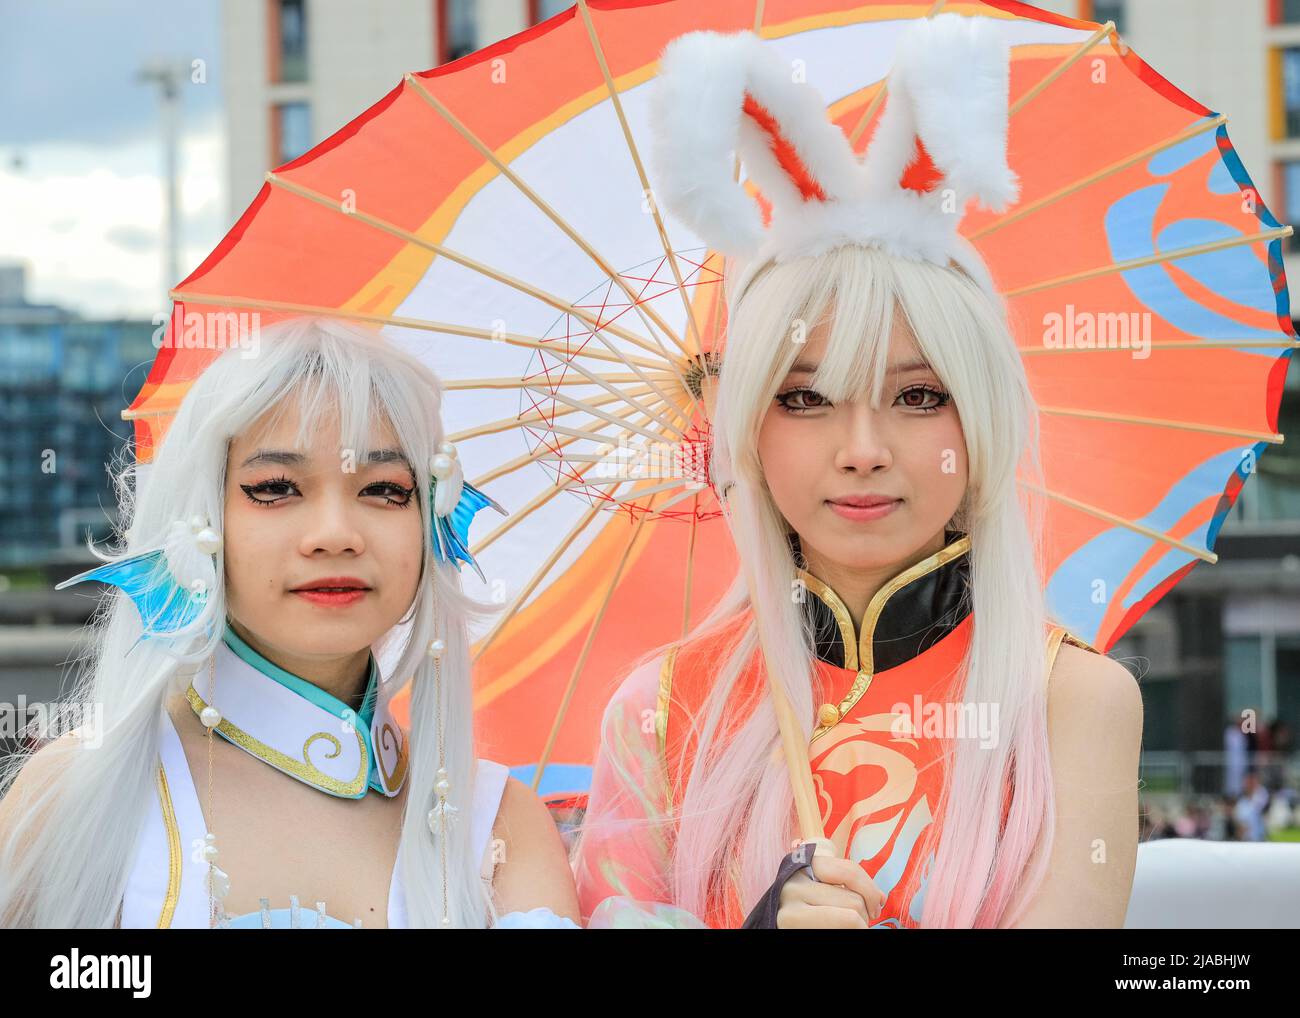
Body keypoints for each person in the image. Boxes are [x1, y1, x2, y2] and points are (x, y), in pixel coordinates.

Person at [573, 15, 1144, 929]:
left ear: (982, 418)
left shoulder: (1073, 702)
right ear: (748, 433)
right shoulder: (658, 708)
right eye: (805, 400)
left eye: (918, 398)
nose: (863, 448)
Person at [0, 316, 580, 928]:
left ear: (433, 522)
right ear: (202, 518)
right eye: (275, 487)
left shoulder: (501, 824)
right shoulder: (85, 794)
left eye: (384, 489)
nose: (335, 535)